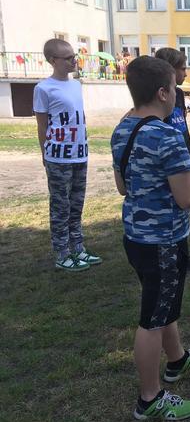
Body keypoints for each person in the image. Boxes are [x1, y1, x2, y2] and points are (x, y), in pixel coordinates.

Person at [111, 56, 190, 421]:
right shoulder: (168, 135)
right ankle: (149, 399)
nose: (177, 95)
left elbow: (122, 187)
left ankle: (177, 361)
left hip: (136, 237)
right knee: (152, 318)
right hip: (162, 242)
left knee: (163, 305)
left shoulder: (122, 128)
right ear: (163, 92)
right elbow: (188, 198)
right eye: (175, 88)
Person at [34, 38, 102, 271]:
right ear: (53, 61)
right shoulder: (43, 88)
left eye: (74, 56)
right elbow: (42, 126)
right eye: (69, 58)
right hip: (58, 157)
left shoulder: (76, 84)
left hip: (79, 154)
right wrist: (45, 154)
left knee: (76, 204)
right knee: (60, 206)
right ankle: (62, 252)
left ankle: (78, 249)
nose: (75, 61)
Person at [155, 48, 190, 272]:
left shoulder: (180, 95)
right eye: (183, 68)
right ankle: (171, 258)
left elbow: (181, 126)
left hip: (183, 156)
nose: (186, 72)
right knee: (171, 209)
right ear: (169, 70)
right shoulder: (160, 97)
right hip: (168, 162)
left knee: (181, 211)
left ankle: (183, 257)